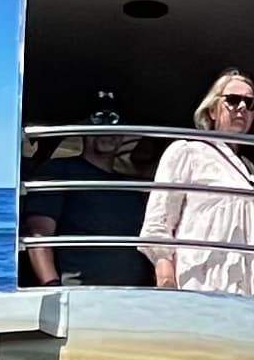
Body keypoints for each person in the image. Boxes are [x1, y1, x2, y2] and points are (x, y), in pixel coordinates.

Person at [143, 69, 254, 297]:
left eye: (250, 102)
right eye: (233, 100)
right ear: (213, 110)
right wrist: (167, 284)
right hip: (208, 286)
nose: (242, 107)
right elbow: (158, 225)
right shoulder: (188, 152)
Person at [21, 107, 154, 287]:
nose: (106, 131)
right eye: (97, 121)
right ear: (83, 127)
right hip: (80, 293)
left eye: (115, 123)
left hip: (138, 296)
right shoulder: (58, 171)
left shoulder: (132, 186)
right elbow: (39, 233)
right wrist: (51, 286)